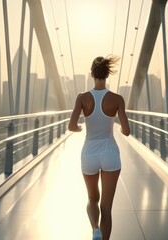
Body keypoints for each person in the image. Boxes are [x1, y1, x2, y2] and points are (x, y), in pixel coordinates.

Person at [68, 55, 130, 240]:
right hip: (110, 154)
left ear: (92, 74)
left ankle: (95, 228)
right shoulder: (117, 99)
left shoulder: (82, 98)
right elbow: (126, 131)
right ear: (107, 74)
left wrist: (80, 127)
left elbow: (72, 126)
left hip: (89, 154)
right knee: (106, 208)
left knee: (92, 199)